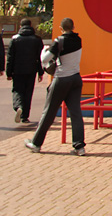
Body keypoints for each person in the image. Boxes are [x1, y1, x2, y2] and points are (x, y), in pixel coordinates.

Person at [25, 17, 85, 155]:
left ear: (61, 28)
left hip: (61, 79)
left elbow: (45, 59)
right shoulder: (78, 40)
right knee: (76, 113)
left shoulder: (59, 41)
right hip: (76, 78)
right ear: (73, 27)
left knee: (49, 112)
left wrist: (44, 50)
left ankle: (36, 143)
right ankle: (79, 146)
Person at [7, 18, 44, 123]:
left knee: (18, 90)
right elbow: (40, 57)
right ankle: (25, 116)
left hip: (17, 70)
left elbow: (10, 57)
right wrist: (40, 72)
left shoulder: (15, 39)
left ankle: (18, 106)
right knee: (28, 92)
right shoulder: (37, 39)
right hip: (32, 70)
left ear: (20, 26)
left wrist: (9, 73)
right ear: (31, 26)